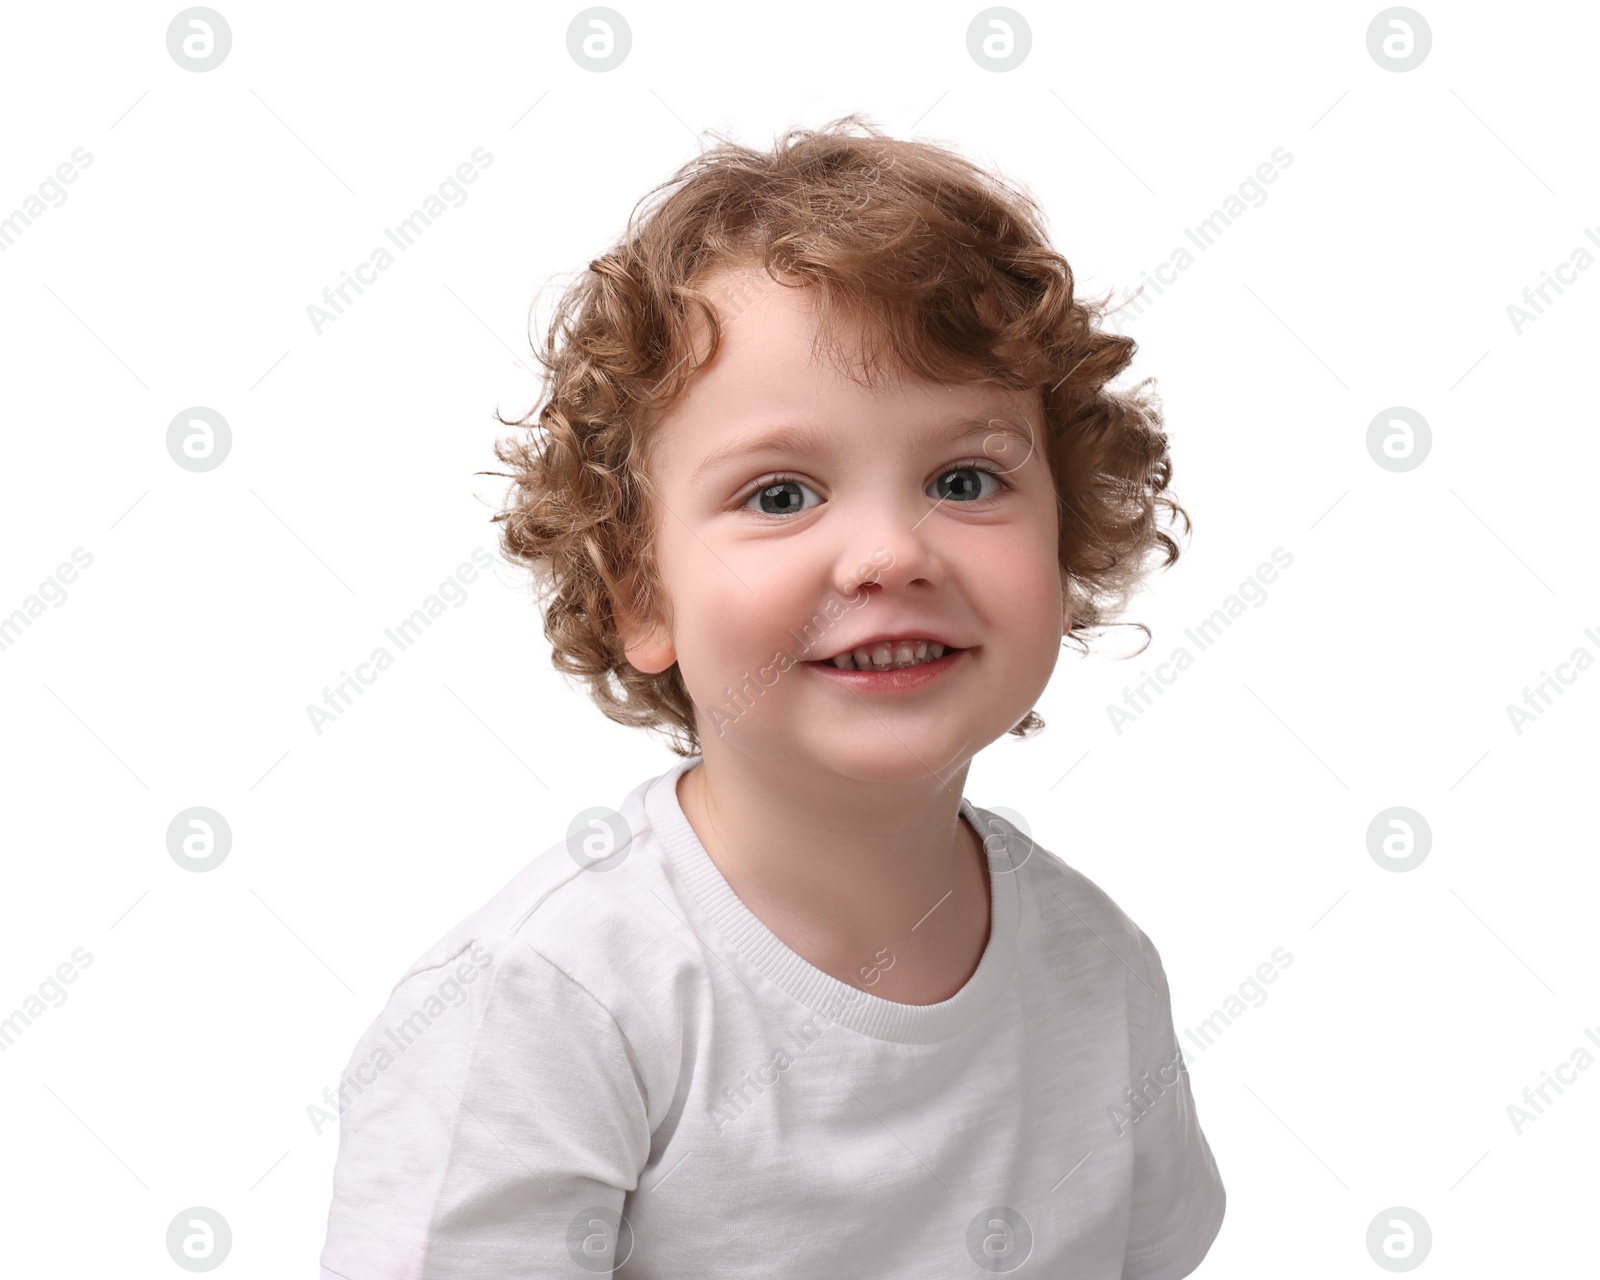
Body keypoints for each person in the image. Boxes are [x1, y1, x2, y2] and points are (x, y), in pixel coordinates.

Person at [318, 114, 1223, 1279]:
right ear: (641, 591)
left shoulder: (1095, 965)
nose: (889, 552)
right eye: (782, 493)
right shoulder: (549, 1000)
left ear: (1067, 543)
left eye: (964, 478)